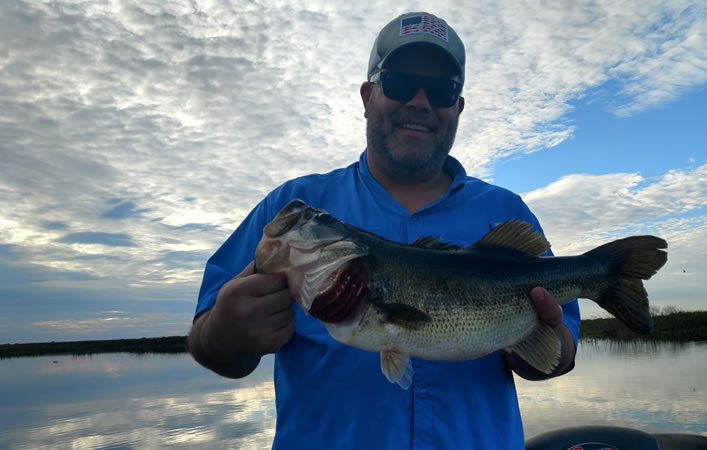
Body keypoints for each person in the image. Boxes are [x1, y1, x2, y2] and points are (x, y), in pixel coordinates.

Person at [189, 11, 580, 450]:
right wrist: (224, 331)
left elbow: (559, 356)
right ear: (367, 95)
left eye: (441, 89)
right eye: (398, 82)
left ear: (458, 107)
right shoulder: (293, 212)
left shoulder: (508, 213)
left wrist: (539, 341)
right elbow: (207, 344)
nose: (420, 101)